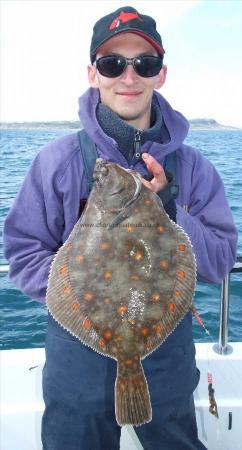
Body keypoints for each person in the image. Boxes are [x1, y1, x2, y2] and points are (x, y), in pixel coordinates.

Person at [3, 6, 237, 450]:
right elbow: (23, 251)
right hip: (76, 361)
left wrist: (168, 206)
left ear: (160, 75)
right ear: (93, 74)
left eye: (143, 64)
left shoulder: (194, 168)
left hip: (166, 356)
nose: (128, 77)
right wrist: (76, 300)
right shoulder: (56, 162)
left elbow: (221, 260)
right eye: (113, 64)